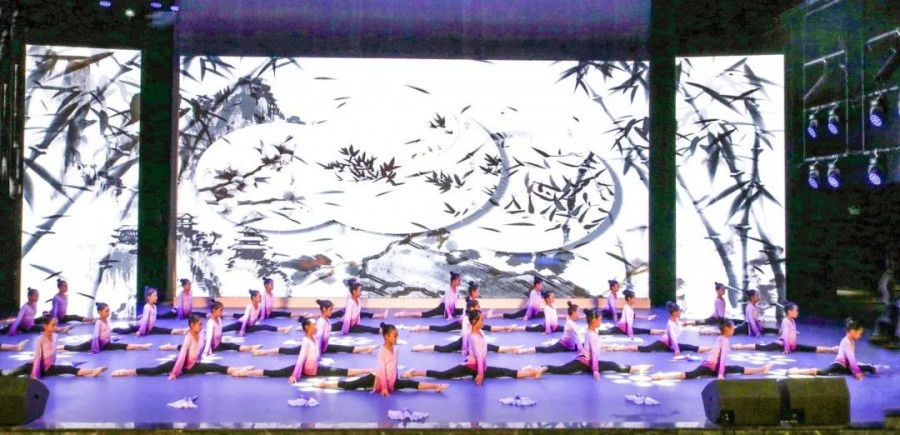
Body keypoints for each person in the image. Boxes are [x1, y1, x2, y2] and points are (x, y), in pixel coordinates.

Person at [403, 310, 543, 385]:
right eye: (482, 319)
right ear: (475, 321)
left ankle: (533, 373)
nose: (484, 321)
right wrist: (480, 374)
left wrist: (482, 370)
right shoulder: (473, 337)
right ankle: (415, 372)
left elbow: (483, 355)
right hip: (470, 367)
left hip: (480, 367)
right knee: (443, 375)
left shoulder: (480, 332)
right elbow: (479, 357)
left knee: (506, 372)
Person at [313, 323, 449, 396]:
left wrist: (394, 381)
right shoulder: (382, 351)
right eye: (394, 336)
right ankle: (326, 384)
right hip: (376, 379)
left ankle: (435, 387)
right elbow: (382, 371)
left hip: (392, 381)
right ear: (386, 337)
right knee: (350, 385)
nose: (396, 338)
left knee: (411, 384)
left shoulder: (396, 349)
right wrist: (384, 388)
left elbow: (394, 366)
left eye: (397, 336)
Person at [111, 314, 253, 379]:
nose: (201, 326)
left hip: (192, 366)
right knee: (155, 371)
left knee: (215, 367)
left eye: (201, 324)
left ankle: (239, 370)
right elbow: (182, 357)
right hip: (181, 364)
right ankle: (126, 371)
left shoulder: (201, 336)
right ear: (192, 325)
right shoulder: (188, 338)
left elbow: (201, 350)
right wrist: (174, 372)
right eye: (199, 324)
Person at [235, 318, 372, 381]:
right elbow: (301, 359)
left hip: (315, 369)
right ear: (307, 328)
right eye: (314, 325)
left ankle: (367, 370)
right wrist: (295, 375)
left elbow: (319, 348)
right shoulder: (306, 341)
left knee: (340, 371)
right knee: (274, 373)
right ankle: (246, 373)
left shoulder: (315, 339)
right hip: (303, 370)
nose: (316, 327)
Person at [541, 308, 652, 378]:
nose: (601, 321)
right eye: (600, 320)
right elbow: (594, 354)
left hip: (584, 361)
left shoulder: (591, 331)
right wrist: (595, 371)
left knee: (612, 365)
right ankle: (637, 368)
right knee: (613, 365)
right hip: (584, 362)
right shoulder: (592, 334)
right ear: (594, 321)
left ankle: (542, 368)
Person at [650, 320, 773, 381]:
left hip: (711, 366)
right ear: (728, 329)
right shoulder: (724, 340)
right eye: (732, 327)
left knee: (737, 368)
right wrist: (720, 374)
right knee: (688, 375)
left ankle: (761, 369)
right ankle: (662, 376)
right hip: (711, 367)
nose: (734, 329)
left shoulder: (721, 338)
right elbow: (722, 358)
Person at [253, 299, 377, 356]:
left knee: (344, 348)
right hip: (314, 348)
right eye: (330, 310)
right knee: (289, 351)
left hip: (323, 347)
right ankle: (264, 351)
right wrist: (317, 353)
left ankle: (366, 348)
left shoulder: (327, 321)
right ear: (324, 310)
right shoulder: (322, 322)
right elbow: (318, 338)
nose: (332, 312)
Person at [0, 318, 106, 378]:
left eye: (56, 325)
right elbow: (37, 358)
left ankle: (92, 371)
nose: (56, 328)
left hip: (48, 367)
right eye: (53, 325)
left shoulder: (55, 336)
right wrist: (35, 375)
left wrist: (51, 365)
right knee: (9, 373)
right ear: (45, 326)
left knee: (69, 369)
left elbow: (53, 354)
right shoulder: (40, 339)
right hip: (32, 366)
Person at [411, 299, 520, 354]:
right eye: (478, 307)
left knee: (492, 347)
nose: (479, 308)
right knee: (443, 347)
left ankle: (513, 347)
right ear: (472, 308)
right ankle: (421, 346)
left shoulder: (476, 316)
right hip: (465, 340)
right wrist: (464, 348)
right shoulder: (467, 318)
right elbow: (465, 333)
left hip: (473, 339)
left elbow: (481, 331)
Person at [786, 319, 879, 380]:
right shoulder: (846, 341)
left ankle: (875, 368)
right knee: (823, 372)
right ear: (852, 331)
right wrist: (857, 372)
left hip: (846, 366)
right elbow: (851, 358)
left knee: (869, 368)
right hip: (839, 365)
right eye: (859, 333)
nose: (860, 335)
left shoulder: (851, 341)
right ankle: (797, 371)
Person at [731, 302, 838, 353]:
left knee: (810, 348)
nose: (797, 312)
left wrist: (793, 334)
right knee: (763, 347)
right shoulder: (786, 321)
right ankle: (741, 346)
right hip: (782, 344)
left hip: (792, 346)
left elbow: (791, 333)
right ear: (789, 312)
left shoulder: (792, 321)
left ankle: (832, 349)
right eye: (796, 311)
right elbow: (786, 336)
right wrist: (786, 348)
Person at [160, 301, 262, 354]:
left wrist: (219, 343)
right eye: (220, 311)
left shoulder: (220, 320)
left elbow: (220, 334)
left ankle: (250, 348)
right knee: (187, 348)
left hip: (217, 345)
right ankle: (169, 347)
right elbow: (208, 339)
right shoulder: (210, 323)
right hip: (207, 345)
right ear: (214, 311)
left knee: (232, 346)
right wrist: (206, 352)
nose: (222, 313)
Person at [612, 302, 711, 354]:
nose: (680, 313)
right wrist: (677, 350)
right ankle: (624, 348)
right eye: (679, 311)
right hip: (663, 344)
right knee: (645, 349)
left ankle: (712, 349)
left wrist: (688, 323)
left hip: (670, 344)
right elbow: (673, 338)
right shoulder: (670, 324)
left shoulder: (676, 321)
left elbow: (681, 324)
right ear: (674, 313)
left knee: (691, 347)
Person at [61, 303, 151, 353]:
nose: (108, 313)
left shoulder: (106, 321)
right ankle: (60, 347)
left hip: (105, 344)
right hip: (93, 344)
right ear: (100, 312)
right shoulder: (98, 322)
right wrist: (95, 350)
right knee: (75, 348)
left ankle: (142, 346)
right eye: (106, 311)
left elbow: (107, 334)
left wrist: (109, 342)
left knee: (122, 346)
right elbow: (96, 337)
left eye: (109, 311)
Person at [112, 287, 188, 336]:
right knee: (124, 331)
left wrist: (142, 315)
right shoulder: (147, 306)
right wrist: (140, 332)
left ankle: (183, 330)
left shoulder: (154, 306)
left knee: (166, 330)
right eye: (154, 296)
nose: (156, 297)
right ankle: (113, 330)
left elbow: (150, 316)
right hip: (140, 327)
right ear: (149, 297)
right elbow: (145, 321)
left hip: (150, 328)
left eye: (156, 296)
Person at [517, 301, 585, 354]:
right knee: (547, 350)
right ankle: (525, 350)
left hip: (570, 345)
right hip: (563, 345)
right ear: (573, 313)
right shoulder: (570, 323)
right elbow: (578, 338)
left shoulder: (570, 320)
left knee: (586, 345)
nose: (580, 313)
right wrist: (581, 350)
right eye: (579, 311)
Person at [395, 272, 464, 319]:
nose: (460, 282)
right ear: (453, 281)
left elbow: (453, 302)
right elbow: (446, 304)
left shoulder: (457, 289)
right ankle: (404, 314)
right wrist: (449, 314)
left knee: (464, 310)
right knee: (426, 314)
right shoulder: (448, 290)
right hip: (443, 308)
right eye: (459, 280)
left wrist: (453, 311)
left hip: (451, 309)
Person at [221, 290, 292, 336]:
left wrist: (254, 324)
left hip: (249, 326)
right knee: (223, 330)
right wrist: (242, 330)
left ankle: (284, 329)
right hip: (240, 324)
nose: (261, 298)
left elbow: (255, 317)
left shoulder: (259, 306)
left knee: (265, 326)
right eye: (259, 297)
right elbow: (245, 319)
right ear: (254, 298)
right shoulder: (249, 306)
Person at [5, 288, 70, 336]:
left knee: (44, 324)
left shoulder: (35, 304)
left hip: (31, 325)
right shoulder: (25, 307)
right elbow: (18, 319)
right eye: (36, 296)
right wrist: (13, 328)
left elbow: (31, 317)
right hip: (23, 327)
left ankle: (61, 329)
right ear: (29, 297)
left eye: (38, 296)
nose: (37, 298)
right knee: (4, 331)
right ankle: (61, 329)